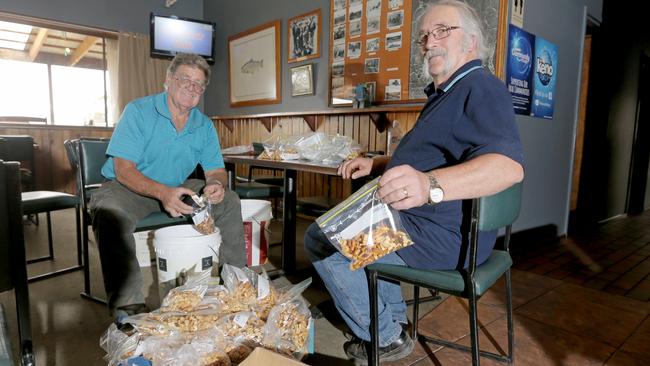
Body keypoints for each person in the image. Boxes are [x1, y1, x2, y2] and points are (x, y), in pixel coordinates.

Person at [304, 0, 525, 364]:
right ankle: (390, 322)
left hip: (443, 238)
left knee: (321, 239)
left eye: (441, 31)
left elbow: (508, 168)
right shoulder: (448, 93)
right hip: (432, 227)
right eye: (424, 36)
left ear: (470, 41)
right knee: (351, 228)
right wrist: (376, 163)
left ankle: (386, 336)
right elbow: (435, 156)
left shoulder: (480, 87)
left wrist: (429, 185)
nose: (429, 42)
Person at [90, 53, 246, 321]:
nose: (191, 87)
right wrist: (162, 193)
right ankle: (129, 312)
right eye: (185, 79)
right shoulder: (138, 111)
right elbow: (123, 169)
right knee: (109, 214)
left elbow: (216, 170)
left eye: (198, 84)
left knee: (228, 200)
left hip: (176, 185)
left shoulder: (204, 125)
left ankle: (237, 288)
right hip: (128, 186)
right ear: (168, 80)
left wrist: (216, 184)